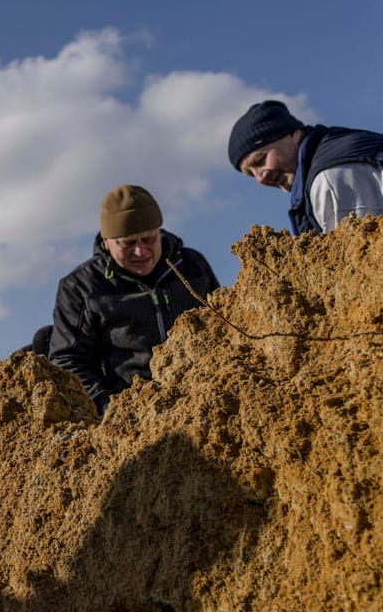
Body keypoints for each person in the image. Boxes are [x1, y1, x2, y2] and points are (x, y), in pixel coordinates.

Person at [49, 185, 220, 417]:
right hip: (132, 413)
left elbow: (222, 325)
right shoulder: (81, 288)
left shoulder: (191, 266)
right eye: (128, 243)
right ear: (107, 242)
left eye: (148, 239)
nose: (140, 251)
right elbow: (67, 360)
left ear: (159, 231)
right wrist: (109, 406)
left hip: (204, 400)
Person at [228, 100, 383, 234]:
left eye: (260, 160)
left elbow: (359, 259)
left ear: (293, 134)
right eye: (251, 174)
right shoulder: (328, 157)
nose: (260, 178)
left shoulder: (331, 176)